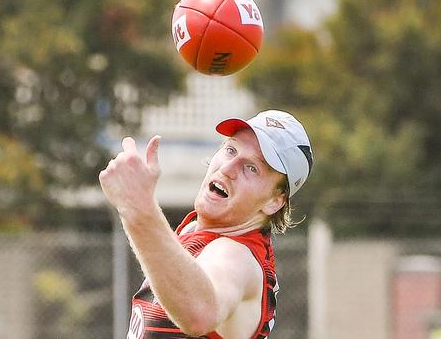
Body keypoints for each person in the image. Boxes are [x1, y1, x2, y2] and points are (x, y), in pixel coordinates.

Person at [99, 110, 313, 339]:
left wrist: (138, 208)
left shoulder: (236, 255)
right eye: (231, 150)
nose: (228, 168)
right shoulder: (194, 232)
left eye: (252, 168)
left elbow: (200, 314)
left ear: (274, 201)